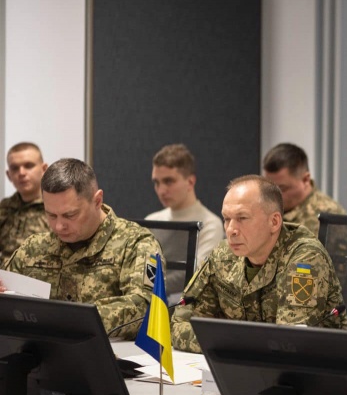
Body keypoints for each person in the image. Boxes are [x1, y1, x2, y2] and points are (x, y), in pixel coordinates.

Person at [171, 175, 347, 353]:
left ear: (274, 222)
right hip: (239, 365)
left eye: (242, 218)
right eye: (226, 219)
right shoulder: (223, 255)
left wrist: (224, 341)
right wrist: (232, 344)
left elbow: (289, 343)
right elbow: (179, 324)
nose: (231, 230)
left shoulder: (305, 259)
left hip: (314, 367)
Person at [1, 158, 162, 339]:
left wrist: (66, 319)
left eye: (70, 215)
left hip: (110, 352)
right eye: (51, 215)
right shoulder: (34, 248)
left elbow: (146, 307)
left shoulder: (136, 243)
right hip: (38, 351)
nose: (59, 226)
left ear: (97, 201)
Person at [146, 144, 225, 296]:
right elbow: (143, 271)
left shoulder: (210, 224)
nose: (161, 190)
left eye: (169, 181)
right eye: (157, 182)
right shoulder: (151, 220)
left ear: (190, 182)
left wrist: (149, 287)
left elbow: (196, 276)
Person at [262, 143, 346, 236]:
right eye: (269, 188)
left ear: (305, 180)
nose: (273, 196)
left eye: (282, 189)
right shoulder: (263, 208)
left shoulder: (329, 217)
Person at [0, 142, 49, 262]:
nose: (21, 173)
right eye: (15, 168)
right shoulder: (4, 208)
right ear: (9, 175)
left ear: (44, 169)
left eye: (28, 166)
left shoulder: (58, 208)